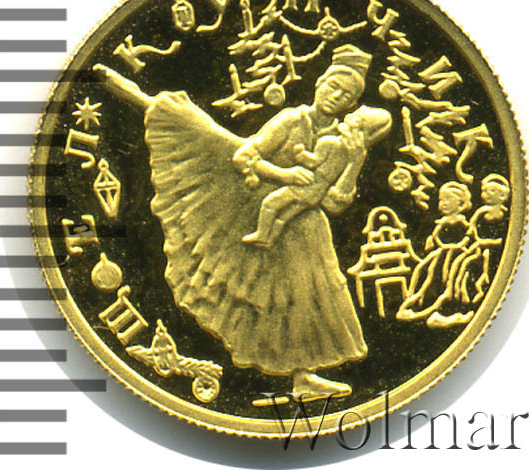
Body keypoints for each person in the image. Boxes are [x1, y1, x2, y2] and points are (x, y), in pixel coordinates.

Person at [94, 44, 392, 400]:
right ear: (320, 83)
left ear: (352, 104)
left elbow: (336, 202)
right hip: (257, 207)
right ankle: (127, 91)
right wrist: (285, 175)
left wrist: (356, 160)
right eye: (333, 86)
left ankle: (303, 378)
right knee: (189, 124)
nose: (335, 95)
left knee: (303, 303)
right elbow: (245, 156)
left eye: (345, 94)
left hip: (307, 233)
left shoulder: (345, 144)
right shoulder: (291, 120)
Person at [241, 104, 391, 248]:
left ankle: (261, 234)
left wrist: (300, 155)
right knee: (286, 216)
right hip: (317, 194)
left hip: (306, 184)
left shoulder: (328, 142)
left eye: (356, 117)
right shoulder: (348, 157)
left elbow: (313, 162)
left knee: (271, 203)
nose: (349, 116)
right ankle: (270, 240)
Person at [396, 181, 474, 328]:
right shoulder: (441, 223)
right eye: (441, 200)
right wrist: (434, 241)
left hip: (455, 255)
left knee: (448, 276)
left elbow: (467, 237)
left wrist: (457, 245)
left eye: (448, 199)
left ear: (461, 204)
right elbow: (437, 237)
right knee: (424, 270)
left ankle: (448, 310)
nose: (443, 203)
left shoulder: (463, 223)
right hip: (441, 255)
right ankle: (418, 302)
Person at [448, 173, 510, 305]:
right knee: (461, 263)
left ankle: (479, 289)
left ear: (502, 195)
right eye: (484, 191)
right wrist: (468, 240)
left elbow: (505, 233)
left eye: (492, 191)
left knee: (482, 262)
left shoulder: (505, 214)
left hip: (493, 250)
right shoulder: (481, 212)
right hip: (478, 247)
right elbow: (471, 228)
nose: (486, 194)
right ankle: (457, 291)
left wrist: (487, 242)